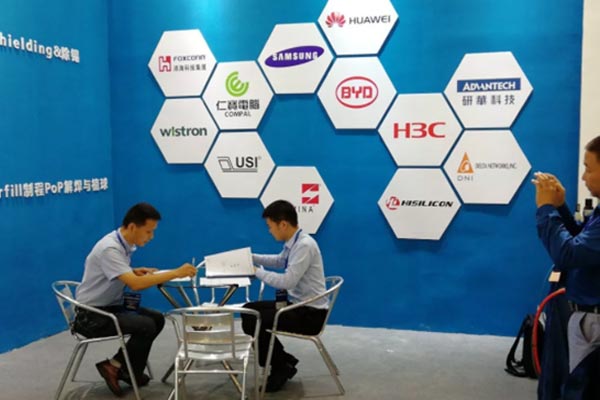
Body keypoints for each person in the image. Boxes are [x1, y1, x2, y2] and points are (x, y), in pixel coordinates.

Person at [73, 202, 197, 397]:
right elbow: (136, 285)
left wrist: (131, 271)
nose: (151, 236)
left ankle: (122, 368)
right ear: (132, 227)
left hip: (110, 306)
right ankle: (121, 369)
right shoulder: (110, 249)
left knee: (157, 319)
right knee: (145, 325)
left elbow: (118, 273)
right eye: (148, 231)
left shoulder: (122, 244)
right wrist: (176, 272)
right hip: (92, 316)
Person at [533, 136, 600, 399]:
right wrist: (560, 207)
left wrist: (545, 209)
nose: (583, 177)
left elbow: (569, 254)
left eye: (588, 168)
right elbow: (581, 242)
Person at [241, 200, 329, 392]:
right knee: (248, 311)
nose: (269, 231)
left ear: (283, 224)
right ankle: (283, 362)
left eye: (270, 226)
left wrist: (256, 271)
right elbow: (279, 261)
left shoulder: (304, 245)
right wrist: (250, 257)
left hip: (310, 315)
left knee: (253, 318)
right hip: (298, 305)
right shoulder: (295, 243)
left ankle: (280, 366)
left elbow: (287, 281)